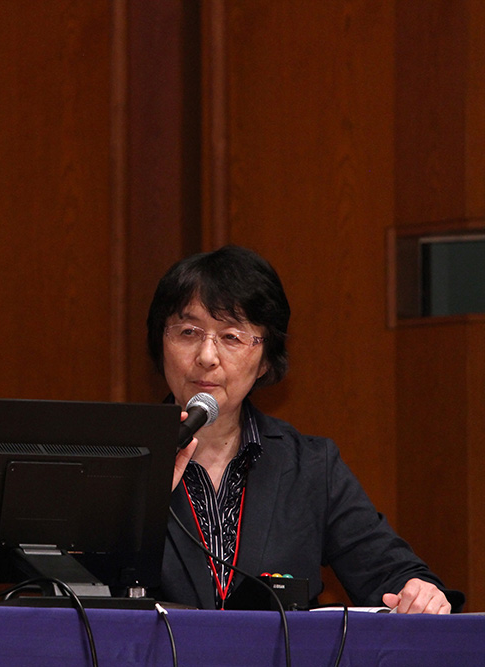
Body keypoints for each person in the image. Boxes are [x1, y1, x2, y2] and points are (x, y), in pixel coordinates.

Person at [148, 245, 462, 613]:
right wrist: (138, 503)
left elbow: (393, 575)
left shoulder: (310, 466)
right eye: (188, 332)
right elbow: (89, 582)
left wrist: (420, 593)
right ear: (162, 343)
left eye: (231, 337)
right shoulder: (119, 453)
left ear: (265, 360)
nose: (206, 356)